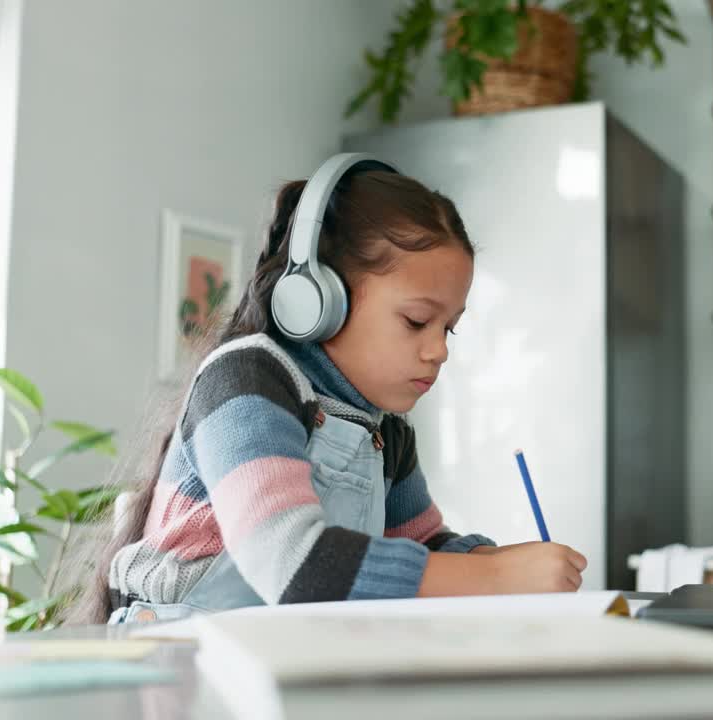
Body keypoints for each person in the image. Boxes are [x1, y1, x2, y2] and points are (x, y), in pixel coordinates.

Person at [64, 156, 586, 625]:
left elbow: (423, 547)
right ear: (317, 299)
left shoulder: (386, 431)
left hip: (278, 654)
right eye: (417, 321)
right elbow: (293, 566)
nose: (439, 351)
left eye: (448, 328)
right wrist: (496, 580)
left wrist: (494, 560)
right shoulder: (246, 383)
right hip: (179, 666)